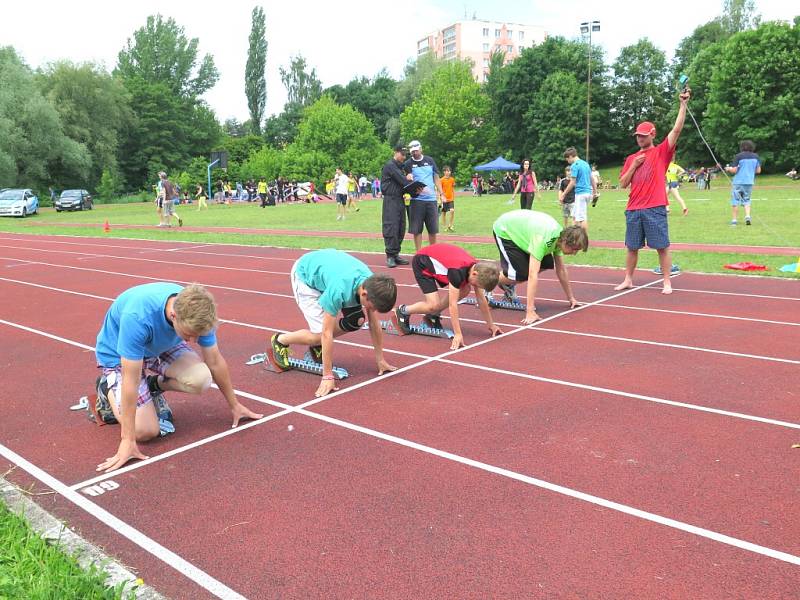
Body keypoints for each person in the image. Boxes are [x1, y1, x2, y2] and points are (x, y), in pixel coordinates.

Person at [93, 283, 263, 472]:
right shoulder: (137, 317)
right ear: (174, 315)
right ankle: (105, 388)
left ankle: (152, 385)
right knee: (145, 432)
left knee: (201, 380)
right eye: (190, 335)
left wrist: (234, 405)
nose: (194, 341)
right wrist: (127, 440)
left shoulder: (201, 313)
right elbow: (130, 380)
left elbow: (214, 360)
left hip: (161, 346)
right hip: (118, 356)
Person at [269, 249, 398, 397]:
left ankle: (316, 346)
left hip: (330, 272)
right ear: (364, 294)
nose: (371, 310)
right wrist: (327, 376)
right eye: (371, 307)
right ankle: (280, 340)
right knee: (318, 335)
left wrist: (380, 359)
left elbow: (374, 325)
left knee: (356, 320)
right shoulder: (339, 290)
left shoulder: (371, 283)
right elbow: (326, 333)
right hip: (305, 277)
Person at [614, 87, 692, 294]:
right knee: (631, 246)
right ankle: (628, 279)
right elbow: (622, 184)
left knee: (662, 246)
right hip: (633, 208)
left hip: (655, 207)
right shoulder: (631, 158)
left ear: (652, 134)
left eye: (643, 135)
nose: (639, 139)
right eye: (637, 136)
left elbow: (676, 131)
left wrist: (683, 105)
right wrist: (633, 166)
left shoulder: (660, 152)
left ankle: (666, 281)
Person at [395, 244, 501, 350]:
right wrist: (458, 334)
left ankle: (433, 315)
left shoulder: (478, 269)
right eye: (477, 285)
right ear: (474, 274)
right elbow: (452, 304)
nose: (476, 287)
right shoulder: (457, 272)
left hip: (442, 259)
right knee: (433, 305)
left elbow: (481, 299)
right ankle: (403, 311)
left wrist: (491, 325)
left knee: (465, 289)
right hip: (422, 262)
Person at [492, 210, 587, 324]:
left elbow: (561, 270)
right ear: (566, 241)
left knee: (546, 263)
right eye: (574, 249)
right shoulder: (542, 240)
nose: (574, 253)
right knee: (520, 275)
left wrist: (571, 298)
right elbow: (533, 274)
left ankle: (507, 284)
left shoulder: (559, 239)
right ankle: (486, 281)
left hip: (526, 230)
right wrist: (530, 311)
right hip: (505, 230)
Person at [404, 140, 444, 251]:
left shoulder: (430, 160)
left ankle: (433, 251)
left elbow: (436, 177)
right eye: (412, 152)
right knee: (417, 229)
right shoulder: (408, 163)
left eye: (416, 151)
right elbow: (406, 179)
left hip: (431, 200)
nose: (414, 153)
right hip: (416, 200)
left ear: (421, 149)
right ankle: (419, 252)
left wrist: (441, 193)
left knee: (433, 229)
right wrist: (408, 177)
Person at [381, 145, 410, 268]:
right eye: (402, 154)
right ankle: (390, 256)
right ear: (396, 152)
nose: (404, 157)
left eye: (405, 155)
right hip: (390, 200)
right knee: (391, 227)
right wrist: (408, 178)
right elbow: (403, 181)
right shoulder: (390, 166)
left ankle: (396, 253)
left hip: (399, 199)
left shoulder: (399, 167)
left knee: (400, 227)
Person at [725, 140, 761, 226]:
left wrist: (728, 169)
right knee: (747, 199)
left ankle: (734, 220)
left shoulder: (738, 156)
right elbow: (758, 170)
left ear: (741, 147)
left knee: (735, 200)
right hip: (749, 182)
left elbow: (734, 170)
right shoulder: (756, 156)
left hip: (738, 182)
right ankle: (748, 216)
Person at [560, 148, 595, 232]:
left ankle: (584, 239)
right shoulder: (586, 164)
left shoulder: (574, 165)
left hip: (581, 193)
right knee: (575, 215)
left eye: (567, 158)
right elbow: (592, 179)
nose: (568, 161)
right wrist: (595, 191)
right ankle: (573, 235)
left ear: (571, 156)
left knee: (582, 218)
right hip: (587, 192)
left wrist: (563, 194)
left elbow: (572, 182)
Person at [439, 166, 456, 232]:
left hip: (451, 199)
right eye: (446, 171)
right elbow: (439, 190)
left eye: (449, 171)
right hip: (444, 199)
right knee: (444, 213)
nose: (448, 172)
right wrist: (440, 199)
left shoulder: (452, 179)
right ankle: (445, 226)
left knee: (452, 210)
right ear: (444, 172)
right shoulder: (441, 180)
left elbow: (452, 187)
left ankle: (450, 225)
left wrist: (453, 195)